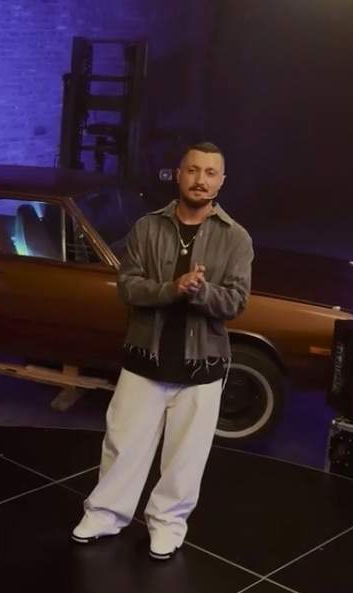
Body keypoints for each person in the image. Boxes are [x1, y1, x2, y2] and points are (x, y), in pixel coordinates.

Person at [70, 142, 253, 560]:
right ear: (178, 174)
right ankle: (104, 514)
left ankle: (168, 524)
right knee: (122, 444)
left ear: (221, 182)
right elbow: (127, 287)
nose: (201, 180)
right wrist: (172, 289)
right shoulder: (147, 227)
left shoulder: (236, 238)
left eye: (210, 173)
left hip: (202, 365)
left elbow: (236, 302)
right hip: (144, 358)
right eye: (193, 170)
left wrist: (200, 291)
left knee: (185, 458)